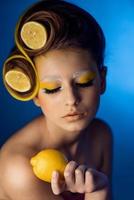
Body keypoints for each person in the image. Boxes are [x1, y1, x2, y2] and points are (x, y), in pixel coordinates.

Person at [0, 0, 113, 199]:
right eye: (52, 89)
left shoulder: (101, 136)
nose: (71, 100)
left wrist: (99, 189)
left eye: (84, 83)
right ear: (34, 95)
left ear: (102, 81)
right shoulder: (19, 167)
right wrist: (98, 192)